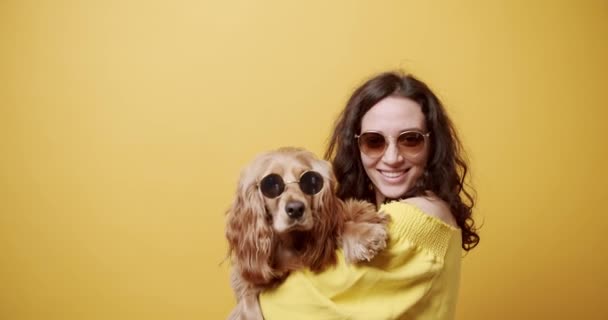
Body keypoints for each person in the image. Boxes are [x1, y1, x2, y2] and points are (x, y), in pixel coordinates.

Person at [259, 71, 480, 319]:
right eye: (374, 141)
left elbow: (290, 306)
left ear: (432, 144)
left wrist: (253, 293)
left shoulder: (419, 218)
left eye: (410, 140)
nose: (392, 158)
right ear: (357, 147)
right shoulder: (368, 214)